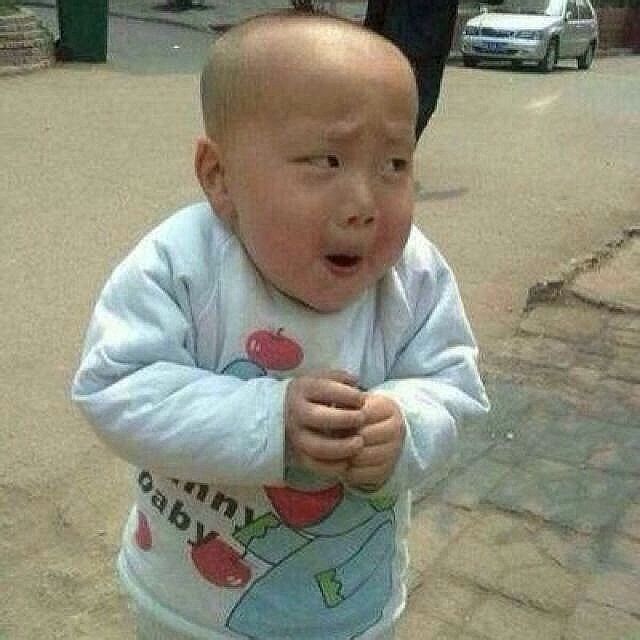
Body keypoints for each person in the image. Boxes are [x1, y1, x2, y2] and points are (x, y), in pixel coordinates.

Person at [72, 11, 488, 640]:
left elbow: (453, 386)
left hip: (349, 607)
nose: (364, 205)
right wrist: (270, 422)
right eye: (327, 160)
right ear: (220, 177)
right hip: (187, 610)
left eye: (395, 165)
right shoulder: (181, 265)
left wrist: (407, 423)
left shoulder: (414, 275)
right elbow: (114, 386)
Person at [364, 0, 459, 139]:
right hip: (396, 45)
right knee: (389, 105)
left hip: (429, 48)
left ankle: (397, 145)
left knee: (422, 107)